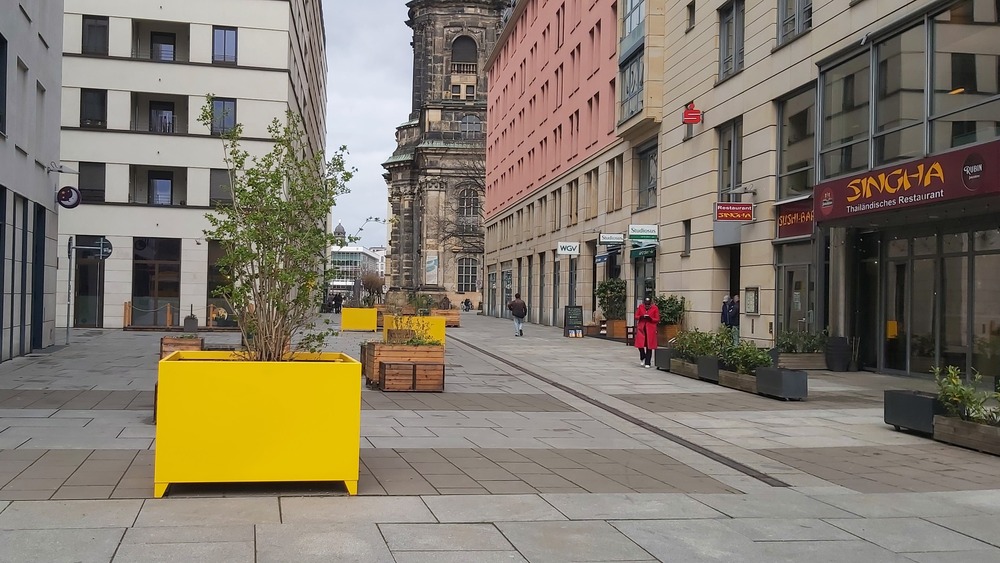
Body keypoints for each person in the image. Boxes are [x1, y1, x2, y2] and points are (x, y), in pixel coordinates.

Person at [634, 296, 660, 368]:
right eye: (646, 304)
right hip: (642, 328)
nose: (647, 306)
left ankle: (647, 362)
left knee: (649, 345)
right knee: (640, 344)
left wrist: (650, 318)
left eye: (648, 304)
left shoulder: (655, 308)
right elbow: (636, 316)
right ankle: (643, 356)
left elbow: (657, 319)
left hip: (650, 328)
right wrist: (641, 317)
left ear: (651, 303)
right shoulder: (640, 307)